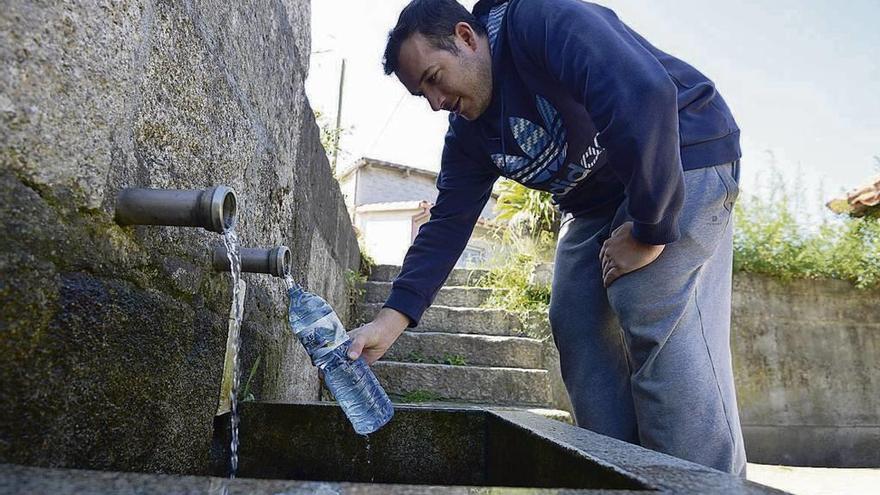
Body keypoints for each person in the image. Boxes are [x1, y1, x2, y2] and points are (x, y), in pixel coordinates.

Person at [347, 0, 747, 476]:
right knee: (574, 316)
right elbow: (449, 222)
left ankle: (700, 483)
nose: (435, 101)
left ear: (466, 37)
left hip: (683, 155)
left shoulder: (539, 21)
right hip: (596, 203)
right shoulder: (469, 134)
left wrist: (650, 230)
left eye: (434, 77)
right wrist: (390, 323)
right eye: (422, 94)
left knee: (647, 295)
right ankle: (622, 475)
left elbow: (642, 92)